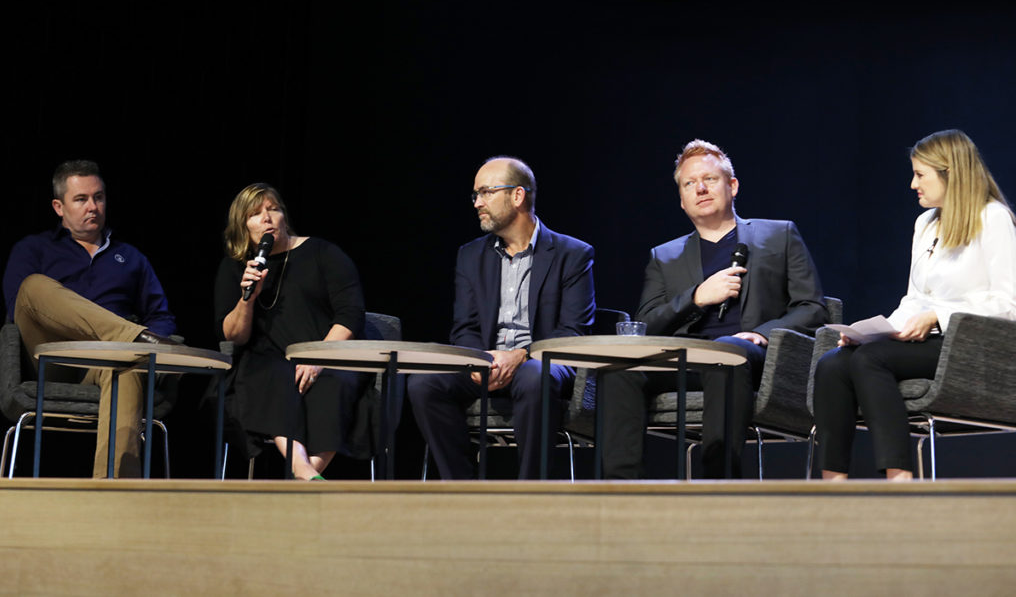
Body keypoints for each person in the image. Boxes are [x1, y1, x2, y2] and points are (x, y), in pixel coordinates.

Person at [600, 140, 827, 479]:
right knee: (619, 371)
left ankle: (715, 485)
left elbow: (813, 308)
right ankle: (621, 490)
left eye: (710, 179)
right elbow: (645, 324)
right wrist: (696, 297)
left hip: (752, 359)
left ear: (732, 186)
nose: (701, 189)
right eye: (689, 184)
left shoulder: (778, 235)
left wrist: (760, 334)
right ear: (681, 199)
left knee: (727, 353)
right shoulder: (665, 256)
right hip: (686, 358)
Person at [813, 129, 1016, 481]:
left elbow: (1009, 302)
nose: (912, 184)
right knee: (833, 363)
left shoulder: (992, 217)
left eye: (920, 174)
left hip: (973, 346)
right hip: (929, 341)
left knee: (870, 360)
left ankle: (900, 479)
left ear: (950, 173)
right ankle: (833, 486)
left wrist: (939, 315)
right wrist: (875, 332)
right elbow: (914, 299)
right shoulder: (925, 223)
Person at [409, 156, 596, 479]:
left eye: (486, 193)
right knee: (423, 383)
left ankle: (529, 493)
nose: (477, 203)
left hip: (541, 363)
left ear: (518, 196)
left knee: (534, 376)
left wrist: (520, 355)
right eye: (475, 195)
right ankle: (463, 491)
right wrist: (481, 360)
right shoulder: (470, 255)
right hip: (485, 363)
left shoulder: (573, 254)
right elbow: (465, 327)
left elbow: (572, 332)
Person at [3, 160, 178, 478]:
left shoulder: (131, 258)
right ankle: (131, 338)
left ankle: (115, 489)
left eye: (99, 197)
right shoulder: (34, 249)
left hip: (104, 361)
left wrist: (128, 347)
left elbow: (162, 317)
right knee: (33, 286)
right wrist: (132, 338)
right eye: (81, 199)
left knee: (125, 368)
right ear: (59, 206)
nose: (93, 207)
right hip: (50, 358)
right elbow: (20, 307)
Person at [214, 183, 366, 480]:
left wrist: (318, 358)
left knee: (333, 385)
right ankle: (307, 476)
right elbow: (233, 336)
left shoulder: (323, 253)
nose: (267, 218)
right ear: (242, 227)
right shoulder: (235, 268)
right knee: (269, 378)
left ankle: (303, 479)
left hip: (328, 354)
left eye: (273, 209)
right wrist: (249, 298)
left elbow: (351, 315)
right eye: (256, 214)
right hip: (266, 359)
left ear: (284, 216)